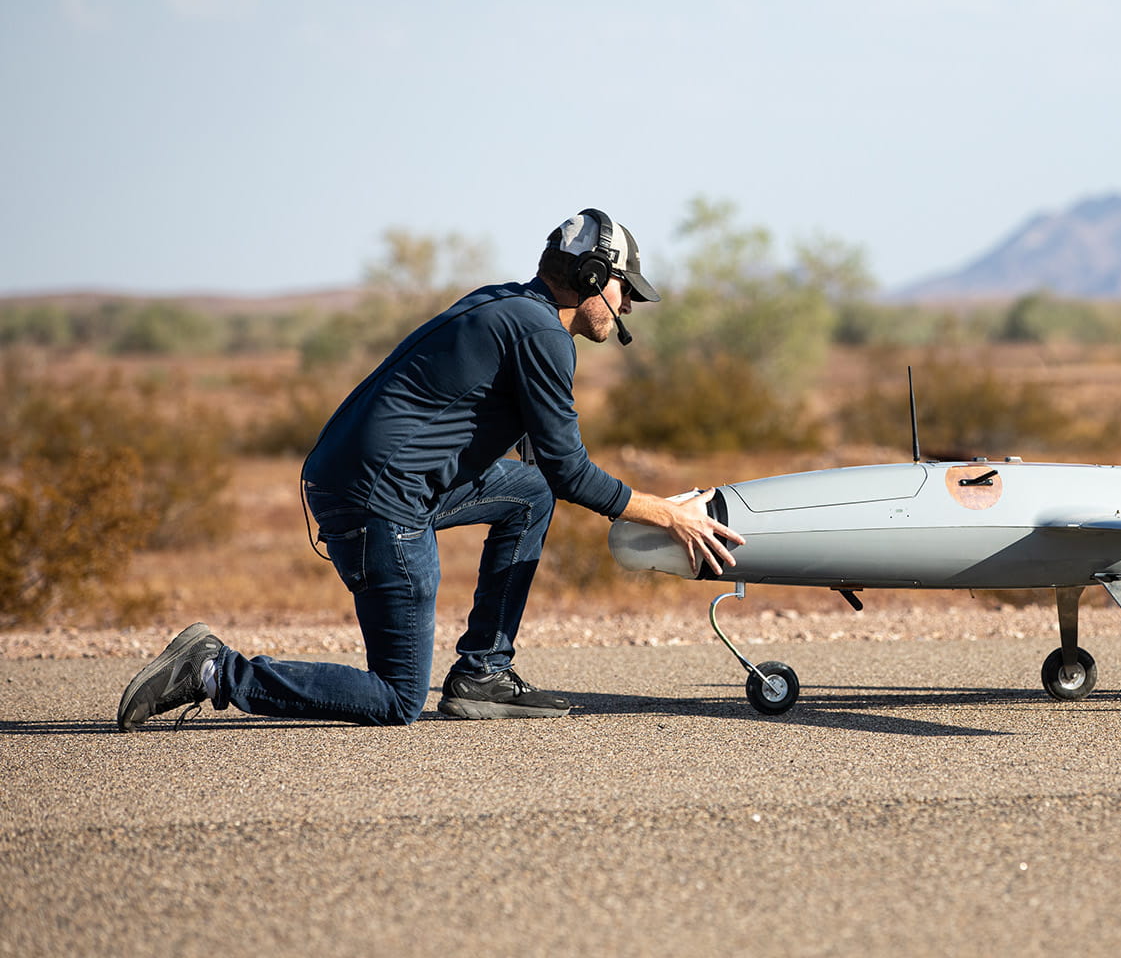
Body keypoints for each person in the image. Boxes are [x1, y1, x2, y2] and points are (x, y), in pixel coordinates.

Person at [117, 209, 743, 729]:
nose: (628, 306)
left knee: (527, 494)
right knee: (397, 697)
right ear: (593, 275)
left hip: (369, 483)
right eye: (625, 289)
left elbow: (539, 468)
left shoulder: (511, 307)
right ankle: (212, 669)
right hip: (380, 503)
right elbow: (570, 470)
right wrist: (669, 513)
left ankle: (482, 675)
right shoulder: (543, 335)